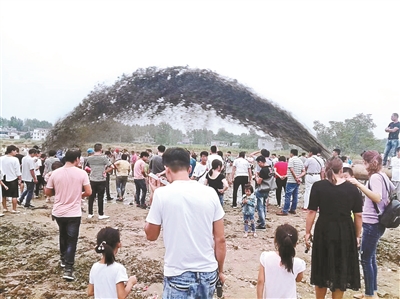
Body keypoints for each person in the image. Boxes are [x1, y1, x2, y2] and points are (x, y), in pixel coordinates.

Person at [144, 147, 226, 299]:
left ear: (167, 170)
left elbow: (151, 235)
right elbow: (220, 239)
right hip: (208, 272)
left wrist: (153, 199)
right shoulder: (210, 193)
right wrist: (220, 271)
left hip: (177, 274)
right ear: (189, 169)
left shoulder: (161, 194)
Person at [305, 157, 362, 299]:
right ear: (342, 170)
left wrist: (307, 232)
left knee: (321, 266)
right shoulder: (352, 189)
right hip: (345, 230)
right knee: (340, 267)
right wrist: (357, 235)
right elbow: (358, 215)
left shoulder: (318, 186)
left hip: (324, 228)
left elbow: (312, 211)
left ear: (325, 169)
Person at [347, 150, 395, 299]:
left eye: (364, 162)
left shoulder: (375, 177)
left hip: (372, 222)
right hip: (379, 222)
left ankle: (369, 295)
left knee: (366, 259)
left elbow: (377, 197)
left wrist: (359, 185)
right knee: (371, 257)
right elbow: (392, 192)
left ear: (369, 163)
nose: (363, 164)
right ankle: (371, 290)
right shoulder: (383, 176)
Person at [45, 149, 92, 280]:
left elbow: (48, 192)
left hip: (58, 212)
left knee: (63, 234)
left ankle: (63, 258)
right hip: (73, 212)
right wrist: (78, 194)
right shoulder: (82, 173)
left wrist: (58, 192)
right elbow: (88, 191)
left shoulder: (55, 173)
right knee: (72, 240)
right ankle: (68, 268)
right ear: (77, 159)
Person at [257, 224, 305, 299]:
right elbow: (299, 279)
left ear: (276, 241)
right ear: (295, 244)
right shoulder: (298, 263)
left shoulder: (266, 257)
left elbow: (260, 281)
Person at [87, 227, 137, 299]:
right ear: (119, 244)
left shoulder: (94, 267)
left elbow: (90, 292)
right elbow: (121, 296)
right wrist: (131, 283)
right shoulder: (118, 268)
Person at [87, 143, 113, 219]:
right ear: (101, 149)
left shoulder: (89, 158)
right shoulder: (104, 158)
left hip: (92, 179)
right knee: (100, 197)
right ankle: (100, 214)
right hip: (101, 179)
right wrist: (105, 171)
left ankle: (90, 213)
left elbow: (85, 167)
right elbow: (112, 166)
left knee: (91, 197)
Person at [277, 149, 305, 216]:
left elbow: (291, 169)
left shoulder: (291, 160)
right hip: (297, 181)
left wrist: (295, 177)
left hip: (291, 180)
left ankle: (285, 210)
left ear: (291, 153)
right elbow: (304, 171)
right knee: (295, 195)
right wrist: (298, 177)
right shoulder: (300, 161)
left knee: (288, 196)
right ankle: (293, 209)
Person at [1, 145, 23, 214]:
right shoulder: (15, 159)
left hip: (3, 177)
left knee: (3, 194)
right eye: (15, 151)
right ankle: (14, 209)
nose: (16, 152)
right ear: (12, 151)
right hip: (13, 178)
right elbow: (17, 170)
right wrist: (20, 179)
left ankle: (5, 208)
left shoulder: (1, 158)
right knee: (14, 195)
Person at [254, 155, 273, 230]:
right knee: (264, 205)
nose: (259, 165)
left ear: (261, 162)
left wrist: (256, 176)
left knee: (260, 207)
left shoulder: (263, 170)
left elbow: (259, 182)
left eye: (258, 163)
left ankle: (262, 223)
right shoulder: (270, 168)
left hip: (262, 188)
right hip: (268, 188)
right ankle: (263, 219)